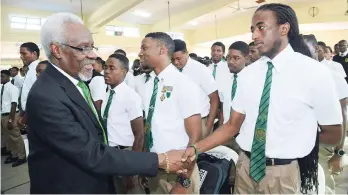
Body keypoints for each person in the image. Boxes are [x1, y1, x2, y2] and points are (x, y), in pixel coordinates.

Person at [182, 3, 343, 194]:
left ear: (284, 29)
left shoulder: (314, 73)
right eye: (252, 29)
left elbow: (334, 133)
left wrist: (296, 138)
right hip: (245, 168)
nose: (254, 36)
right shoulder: (248, 75)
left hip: (283, 174)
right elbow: (232, 126)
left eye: (261, 27)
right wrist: (195, 148)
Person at [26, 12, 191, 194]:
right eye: (84, 48)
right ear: (57, 50)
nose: (93, 55)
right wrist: (160, 160)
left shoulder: (75, 83)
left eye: (92, 47)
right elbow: (91, 153)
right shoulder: (46, 96)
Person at [139, 32, 202, 194]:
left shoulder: (183, 84)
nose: (141, 53)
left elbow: (195, 136)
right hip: (155, 167)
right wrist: (145, 166)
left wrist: (185, 179)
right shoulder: (148, 86)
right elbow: (150, 127)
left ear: (162, 50)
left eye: (145, 48)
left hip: (179, 171)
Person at [308, 38, 348, 194]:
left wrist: (339, 153)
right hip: (300, 143)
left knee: (324, 186)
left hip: (323, 143)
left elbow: (342, 116)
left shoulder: (332, 75)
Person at [103, 54, 145, 194]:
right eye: (105, 67)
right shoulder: (107, 93)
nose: (106, 71)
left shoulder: (130, 97)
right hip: (110, 152)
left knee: (131, 190)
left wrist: (132, 168)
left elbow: (139, 135)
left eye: (112, 68)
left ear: (124, 72)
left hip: (126, 153)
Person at [173, 39, 219, 138]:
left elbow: (214, 99)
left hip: (200, 121)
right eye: (173, 60)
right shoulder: (172, 71)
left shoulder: (201, 70)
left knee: (198, 152)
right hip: (178, 122)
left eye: (178, 58)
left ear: (186, 53)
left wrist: (208, 125)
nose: (176, 62)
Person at [218, 41, 249, 153]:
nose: (230, 62)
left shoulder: (252, 81)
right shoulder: (225, 81)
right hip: (226, 133)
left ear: (246, 58)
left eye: (236, 58)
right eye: (228, 57)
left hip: (244, 135)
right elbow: (223, 108)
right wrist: (220, 130)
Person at [1, 70, 26, 167]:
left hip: (11, 115)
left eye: (2, 76)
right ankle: (14, 155)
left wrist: (11, 120)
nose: (0, 78)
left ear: (8, 77)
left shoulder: (13, 88)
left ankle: (22, 157)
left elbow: (14, 104)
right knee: (8, 138)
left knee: (15, 137)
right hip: (3, 115)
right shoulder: (2, 88)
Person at [17, 42, 40, 129]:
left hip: (35, 114)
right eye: (20, 54)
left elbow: (37, 96)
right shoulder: (30, 69)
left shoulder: (38, 69)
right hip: (29, 113)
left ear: (34, 53)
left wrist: (25, 118)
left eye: (24, 53)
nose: (21, 57)